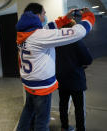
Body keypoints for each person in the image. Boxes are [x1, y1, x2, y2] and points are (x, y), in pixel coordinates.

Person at [16, 2, 95, 131]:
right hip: (41, 88)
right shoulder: (39, 36)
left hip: (29, 84)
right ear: (36, 16)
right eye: (43, 13)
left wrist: (65, 19)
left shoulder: (24, 33)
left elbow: (47, 28)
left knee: (28, 113)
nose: (45, 15)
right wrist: (88, 17)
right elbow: (77, 33)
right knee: (42, 122)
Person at [56, 19, 93, 131]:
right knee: (79, 108)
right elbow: (88, 59)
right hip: (76, 79)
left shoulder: (56, 41)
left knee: (63, 105)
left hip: (61, 79)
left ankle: (64, 127)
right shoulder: (77, 41)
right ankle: (80, 128)